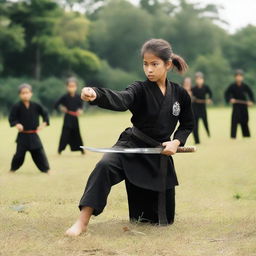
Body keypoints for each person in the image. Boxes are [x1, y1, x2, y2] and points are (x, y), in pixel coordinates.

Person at [65, 39, 194, 236]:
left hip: (157, 155)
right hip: (131, 146)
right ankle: (82, 222)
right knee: (105, 166)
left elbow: (187, 124)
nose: (148, 69)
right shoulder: (139, 89)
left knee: (158, 221)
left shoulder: (180, 94)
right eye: (145, 64)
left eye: (154, 64)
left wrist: (175, 142)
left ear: (167, 65)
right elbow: (122, 98)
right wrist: (96, 94)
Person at [9, 83, 50, 173]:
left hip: (34, 135)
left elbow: (45, 114)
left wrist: (43, 124)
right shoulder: (17, 106)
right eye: (23, 93)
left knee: (39, 153)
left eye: (27, 92)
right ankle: (12, 169)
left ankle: (46, 170)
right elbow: (12, 118)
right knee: (19, 155)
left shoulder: (36, 105)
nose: (25, 95)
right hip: (22, 136)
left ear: (31, 93)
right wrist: (17, 124)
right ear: (20, 94)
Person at [54, 77, 85, 154]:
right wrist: (61, 108)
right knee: (65, 134)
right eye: (70, 86)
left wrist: (80, 110)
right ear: (67, 87)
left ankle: (82, 150)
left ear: (76, 87)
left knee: (77, 134)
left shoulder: (79, 97)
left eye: (73, 86)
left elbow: (81, 106)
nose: (72, 88)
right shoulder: (64, 97)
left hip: (75, 118)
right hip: (67, 118)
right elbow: (56, 105)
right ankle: (60, 150)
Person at [224, 69, 254, 139]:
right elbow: (227, 94)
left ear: (242, 77)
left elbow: (251, 94)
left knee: (245, 121)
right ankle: (233, 137)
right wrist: (230, 99)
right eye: (237, 76)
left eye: (240, 76)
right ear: (235, 77)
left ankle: (246, 136)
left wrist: (251, 101)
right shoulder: (232, 86)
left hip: (244, 106)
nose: (239, 77)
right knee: (234, 121)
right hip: (236, 106)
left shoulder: (245, 86)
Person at [191, 72, 212, 144]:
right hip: (194, 108)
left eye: (200, 79)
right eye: (197, 79)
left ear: (203, 80)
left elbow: (210, 94)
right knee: (195, 125)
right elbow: (189, 96)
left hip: (203, 108)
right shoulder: (193, 88)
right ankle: (197, 141)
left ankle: (208, 134)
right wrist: (192, 97)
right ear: (195, 80)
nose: (199, 80)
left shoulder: (206, 87)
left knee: (205, 122)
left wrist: (209, 99)